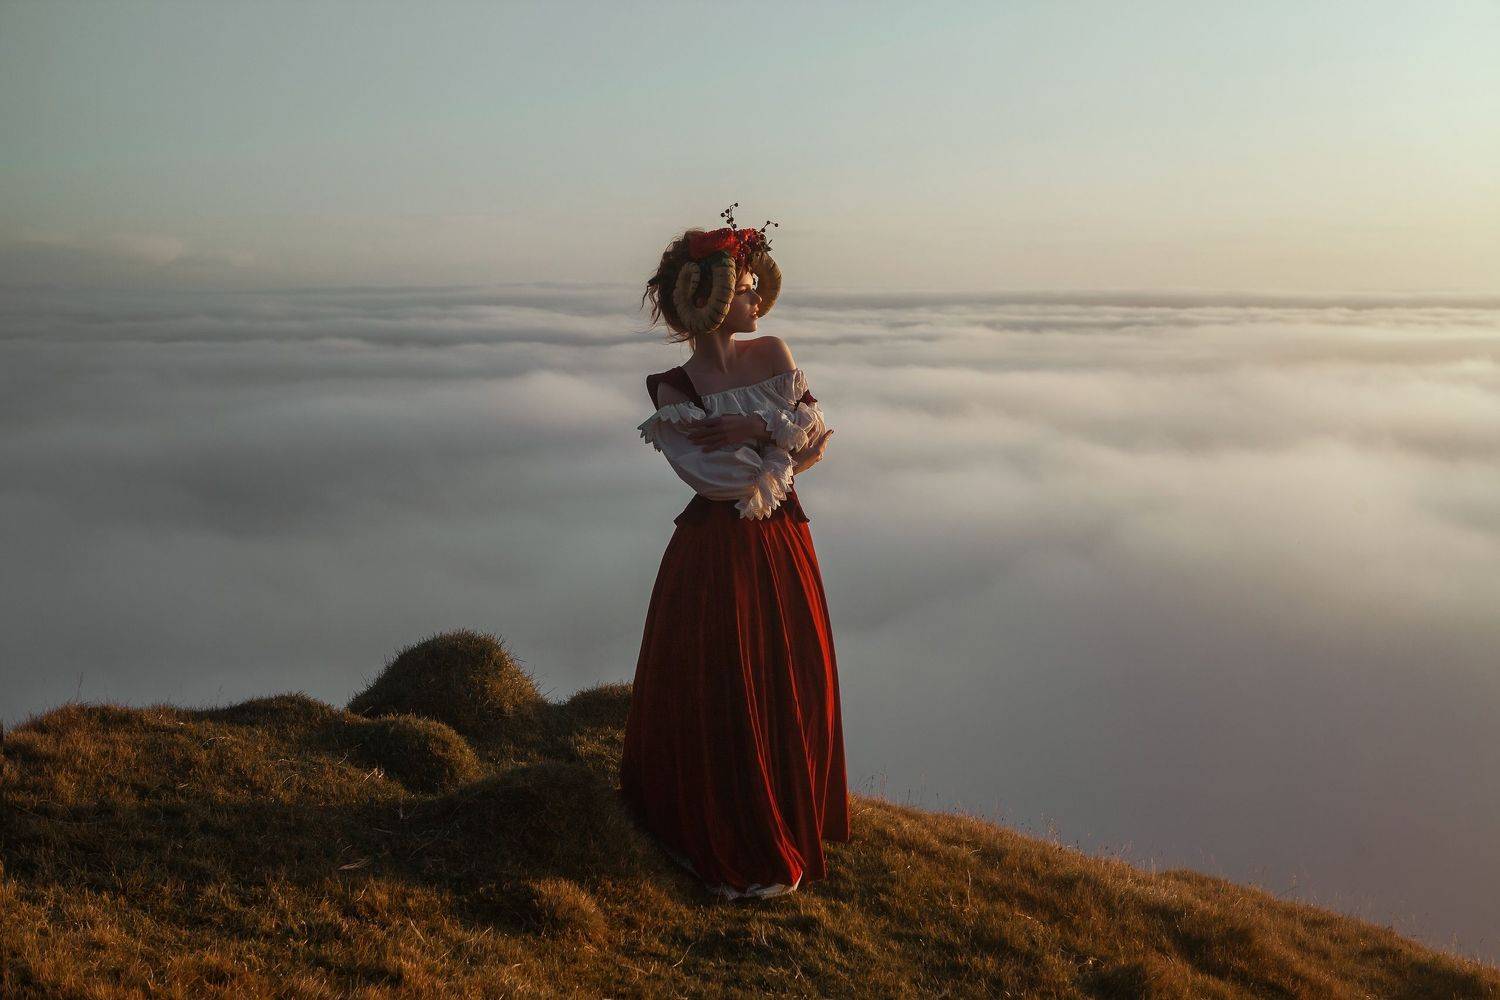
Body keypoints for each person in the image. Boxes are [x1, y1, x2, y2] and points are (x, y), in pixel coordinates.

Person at [618, 206, 850, 901]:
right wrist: (781, 439)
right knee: (726, 682)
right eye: (747, 284)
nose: (758, 297)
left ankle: (785, 807)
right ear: (715, 297)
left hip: (781, 541)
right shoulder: (673, 394)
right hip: (719, 556)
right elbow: (722, 482)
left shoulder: (774, 355)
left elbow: (816, 441)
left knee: (788, 675)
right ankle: (730, 830)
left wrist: (757, 427)